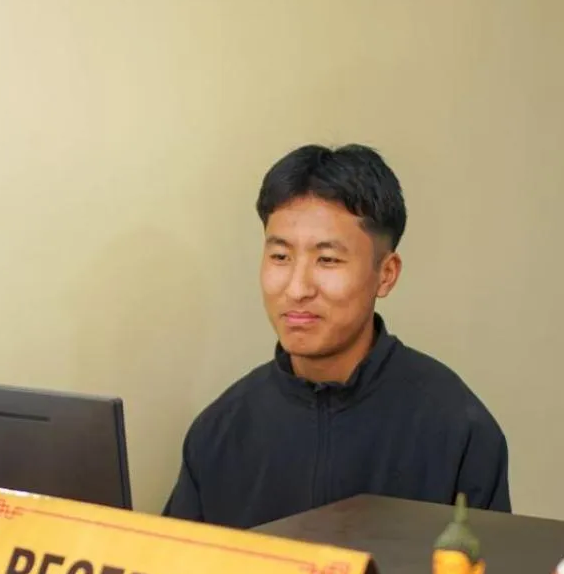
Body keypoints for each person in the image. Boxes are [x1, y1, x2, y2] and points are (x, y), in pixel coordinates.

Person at [162, 144, 510, 529]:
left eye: (327, 260)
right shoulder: (218, 432)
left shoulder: (458, 429)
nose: (297, 288)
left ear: (387, 274)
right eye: (280, 257)